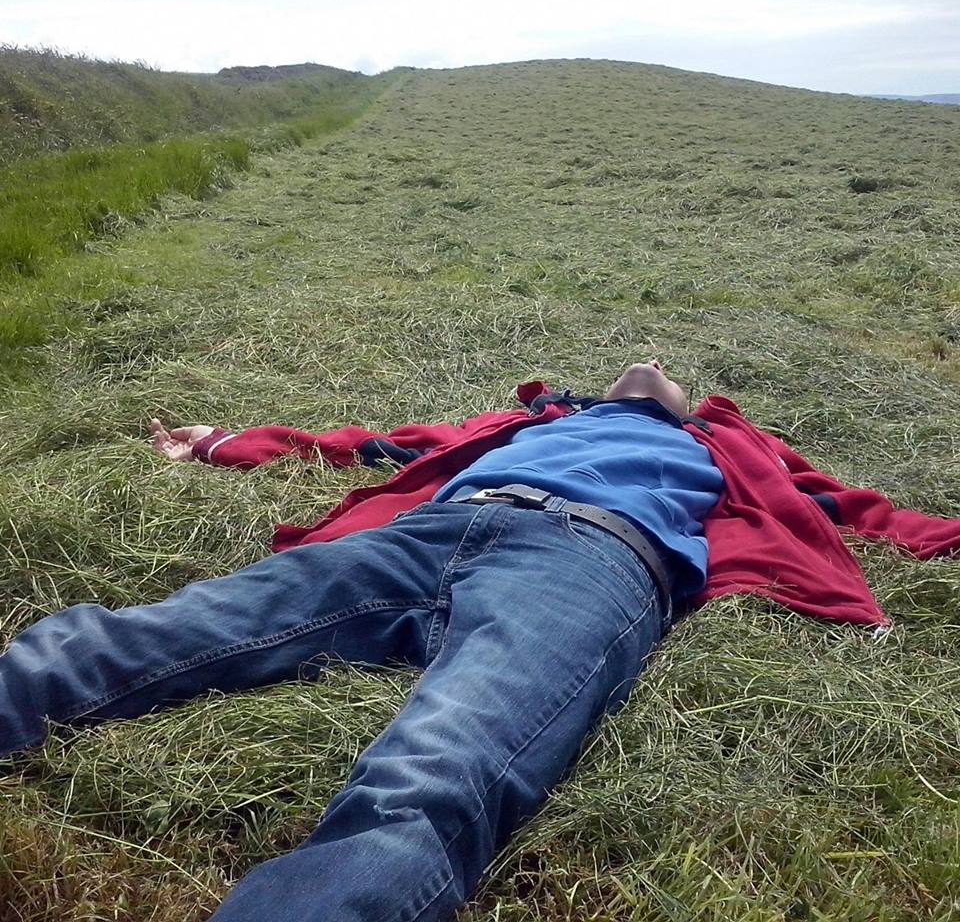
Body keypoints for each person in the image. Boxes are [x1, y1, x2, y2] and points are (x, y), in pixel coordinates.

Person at [0, 361, 723, 922]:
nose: (651, 360)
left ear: (686, 407)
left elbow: (793, 514)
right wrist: (215, 442)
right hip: (426, 533)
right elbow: (374, 449)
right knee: (155, 631)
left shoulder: (722, 445)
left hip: (587, 557)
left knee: (435, 775)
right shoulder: (533, 423)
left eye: (666, 368)